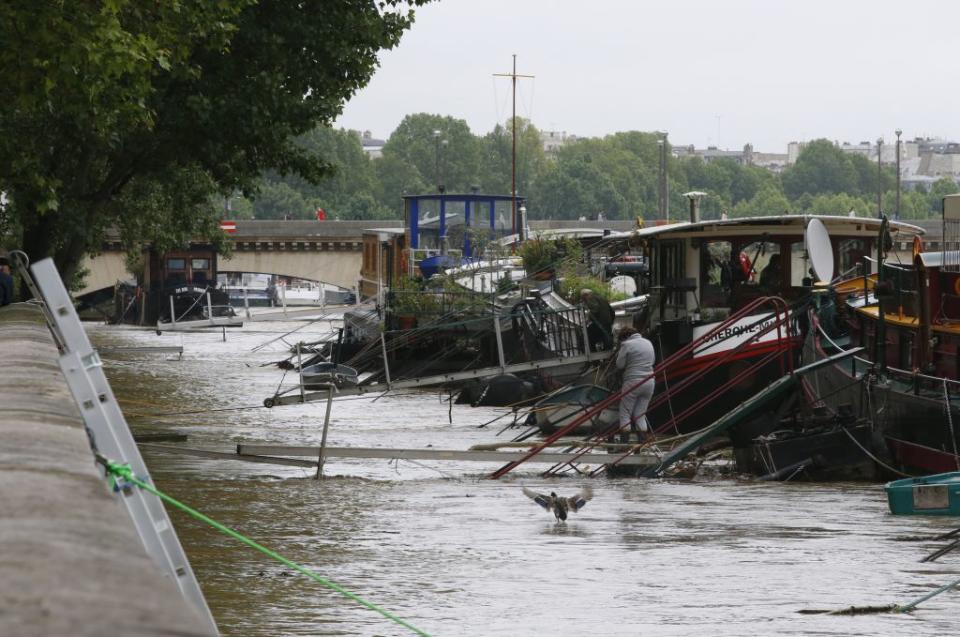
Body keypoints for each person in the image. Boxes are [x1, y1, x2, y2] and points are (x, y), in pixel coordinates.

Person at [615, 325, 656, 443]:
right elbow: (652, 361)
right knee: (640, 414)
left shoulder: (626, 344)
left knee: (625, 413)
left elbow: (620, 365)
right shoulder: (648, 342)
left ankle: (624, 444)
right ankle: (642, 444)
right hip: (649, 381)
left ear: (624, 337)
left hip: (632, 381)